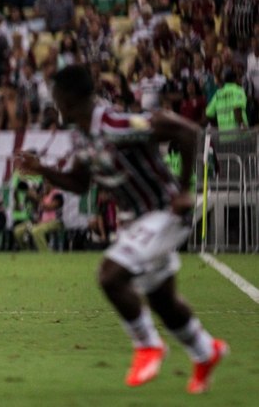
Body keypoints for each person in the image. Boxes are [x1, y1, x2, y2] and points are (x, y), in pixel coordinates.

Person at [17, 65, 228, 394]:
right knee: (163, 301)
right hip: (137, 221)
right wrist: (40, 169)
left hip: (163, 211)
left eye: (55, 97)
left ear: (69, 99)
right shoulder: (82, 136)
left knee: (111, 276)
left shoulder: (117, 124)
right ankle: (205, 351)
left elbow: (186, 130)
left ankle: (147, 345)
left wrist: (185, 189)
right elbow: (78, 183)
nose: (53, 104)